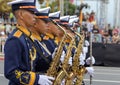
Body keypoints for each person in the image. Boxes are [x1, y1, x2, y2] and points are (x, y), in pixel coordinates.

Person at [4, 0, 54, 85]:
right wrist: (36, 79)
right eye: (31, 12)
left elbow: (35, 64)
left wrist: (52, 58)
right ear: (21, 15)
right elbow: (11, 71)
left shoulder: (28, 37)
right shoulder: (15, 39)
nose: (35, 16)